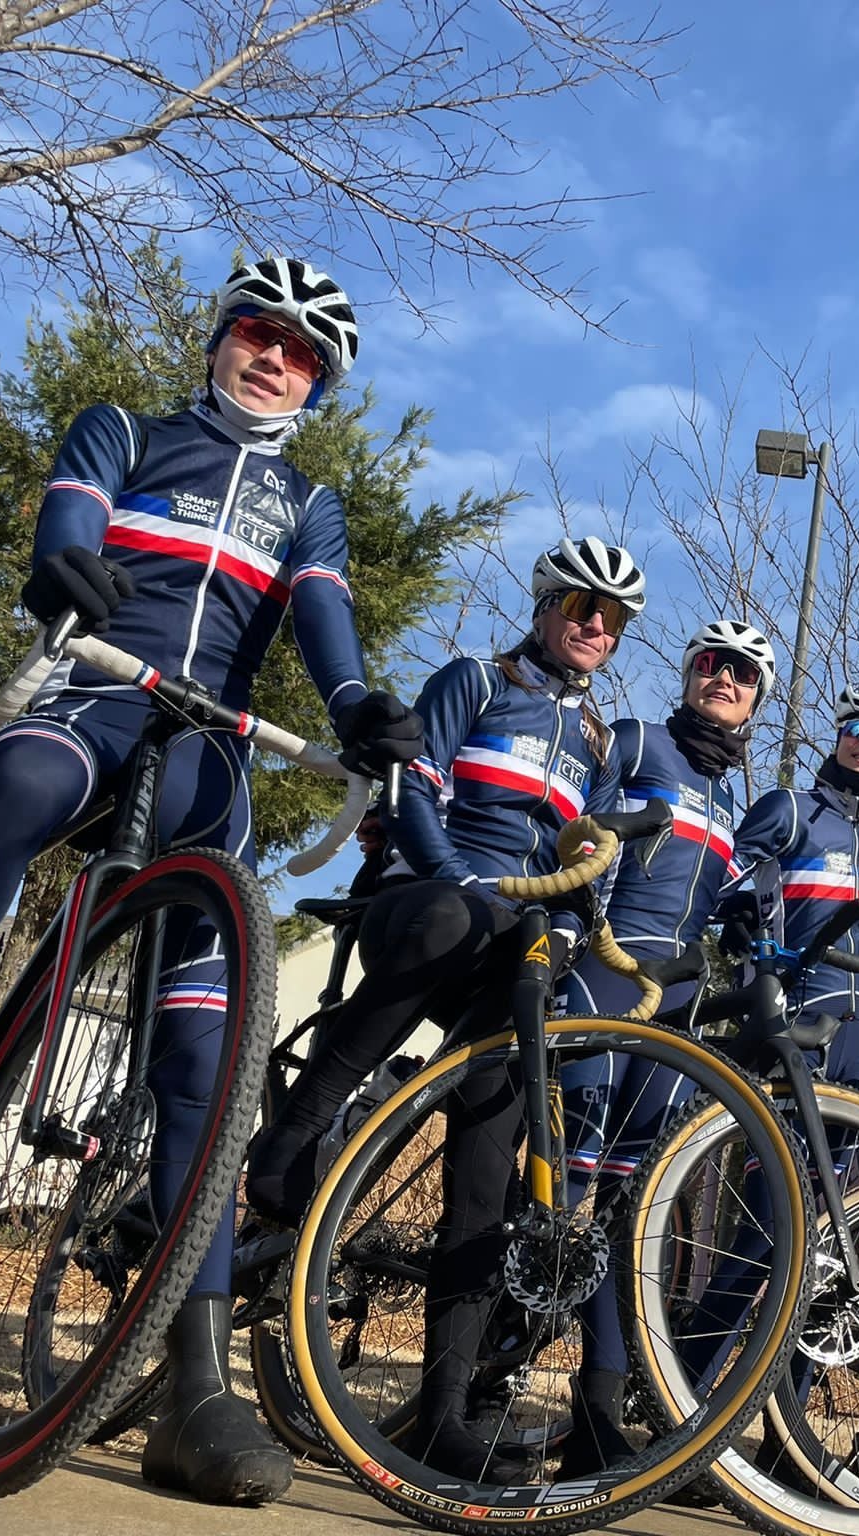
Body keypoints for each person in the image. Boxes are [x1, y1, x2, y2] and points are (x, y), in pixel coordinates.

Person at [0, 254, 413, 1506]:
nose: (274, 356)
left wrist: (357, 706)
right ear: (221, 338)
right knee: (16, 792)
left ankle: (194, 1386)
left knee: (205, 1055)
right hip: (91, 697)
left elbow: (326, 623)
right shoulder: (127, 426)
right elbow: (71, 508)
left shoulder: (307, 502)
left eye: (302, 351)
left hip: (207, 763)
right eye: (256, 331)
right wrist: (66, 565)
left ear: (320, 382)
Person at [244, 534, 639, 1482]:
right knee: (458, 919)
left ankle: (445, 1413)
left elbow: (587, 863)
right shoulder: (476, 679)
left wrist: (582, 926)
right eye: (581, 605)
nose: (595, 625)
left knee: (487, 1150)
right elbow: (413, 789)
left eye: (613, 618)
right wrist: (463, 877)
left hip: (511, 946)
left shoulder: (596, 741)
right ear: (544, 605)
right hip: (422, 903)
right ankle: (288, 1143)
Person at [554, 617, 774, 1476]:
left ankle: (596, 1408)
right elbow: (579, 833)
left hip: (676, 999)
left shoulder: (735, 796)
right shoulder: (639, 739)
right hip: (608, 969)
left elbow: (719, 899)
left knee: (625, 1209)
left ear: (756, 699)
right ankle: (479, 1378)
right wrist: (575, 930)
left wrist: (750, 913)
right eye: (712, 666)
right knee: (565, 1183)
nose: (726, 681)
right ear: (688, 674)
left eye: (744, 675)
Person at [719, 672, 859, 1089]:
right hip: (792, 1002)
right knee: (780, 1151)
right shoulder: (788, 809)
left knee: (840, 1154)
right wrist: (734, 910)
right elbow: (710, 885)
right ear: (840, 735)